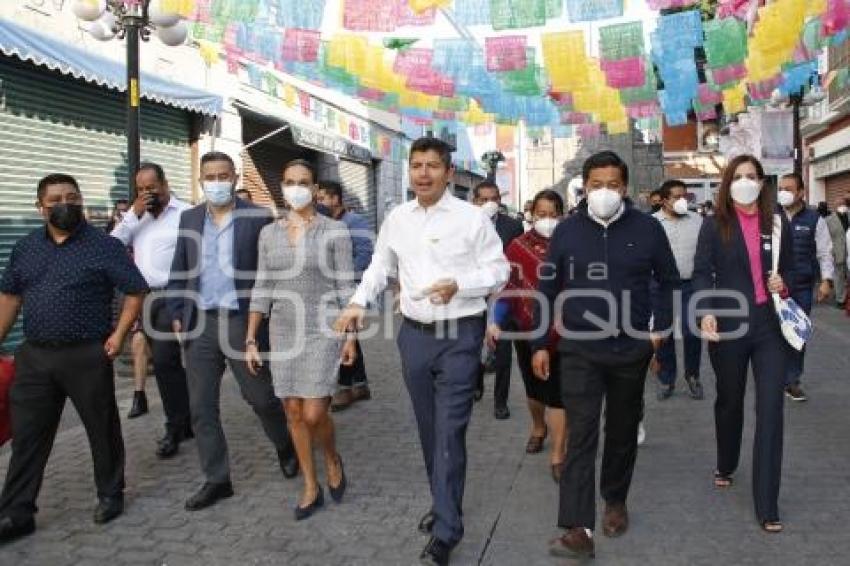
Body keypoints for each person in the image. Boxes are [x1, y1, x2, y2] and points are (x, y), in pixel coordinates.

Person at [334, 137, 509, 566]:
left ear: (449, 173)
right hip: (412, 335)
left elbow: (499, 269)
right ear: (409, 170)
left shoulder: (471, 219)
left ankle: (447, 531)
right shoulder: (397, 218)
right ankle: (444, 503)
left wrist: (460, 285)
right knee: (429, 430)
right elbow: (380, 267)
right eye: (417, 165)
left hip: (459, 335)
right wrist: (359, 301)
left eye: (433, 165)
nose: (424, 173)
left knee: (449, 431)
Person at [533, 151, 679, 560]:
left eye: (612, 184)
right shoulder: (567, 232)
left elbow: (669, 282)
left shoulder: (647, 229)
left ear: (625, 187)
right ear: (584, 187)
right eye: (596, 184)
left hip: (631, 348)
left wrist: (657, 332)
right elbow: (547, 289)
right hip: (579, 347)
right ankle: (578, 528)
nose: (604, 192)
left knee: (621, 431)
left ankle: (615, 500)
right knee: (581, 434)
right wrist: (542, 343)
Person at [0, 174, 148, 543]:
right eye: (55, 199)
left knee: (102, 428)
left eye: (71, 196)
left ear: (80, 201)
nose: (64, 203)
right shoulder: (25, 248)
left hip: (87, 354)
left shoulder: (104, 246)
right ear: (41, 207)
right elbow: (10, 299)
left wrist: (117, 336)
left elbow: (135, 290)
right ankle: (17, 513)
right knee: (28, 436)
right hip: (35, 356)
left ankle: (111, 493)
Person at [166, 151, 297, 511]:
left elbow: (271, 271)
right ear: (201, 180)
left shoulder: (256, 217)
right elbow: (179, 268)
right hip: (201, 323)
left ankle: (285, 444)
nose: (217, 182)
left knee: (261, 397)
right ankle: (217, 479)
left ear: (235, 177)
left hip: (241, 322)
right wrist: (177, 311)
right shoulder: (189, 219)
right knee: (201, 406)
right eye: (210, 176)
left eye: (224, 175)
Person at [247, 160, 357, 521]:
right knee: (292, 411)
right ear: (282, 186)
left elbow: (345, 287)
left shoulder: (335, 230)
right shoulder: (269, 233)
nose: (297, 188)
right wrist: (250, 337)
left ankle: (331, 457)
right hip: (282, 330)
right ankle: (311, 485)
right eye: (290, 182)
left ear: (314, 188)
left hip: (324, 328)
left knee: (314, 412)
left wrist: (350, 338)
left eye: (304, 182)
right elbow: (262, 286)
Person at [693, 154, 793, 533]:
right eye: (739, 176)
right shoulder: (715, 224)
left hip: (770, 327)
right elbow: (702, 272)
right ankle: (726, 460)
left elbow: (798, 270)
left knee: (771, 410)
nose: (746, 181)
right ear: (728, 182)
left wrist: (782, 282)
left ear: (763, 182)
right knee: (730, 399)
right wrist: (705, 310)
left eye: (752, 176)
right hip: (729, 326)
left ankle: (767, 503)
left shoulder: (777, 222)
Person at [111, 162, 194, 456]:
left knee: (165, 361)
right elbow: (111, 245)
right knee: (166, 363)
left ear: (165, 184)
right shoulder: (136, 218)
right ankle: (184, 420)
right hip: (147, 299)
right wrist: (134, 214)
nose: (147, 194)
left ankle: (176, 425)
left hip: (176, 296)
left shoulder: (185, 213)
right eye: (141, 189)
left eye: (152, 188)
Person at [488, 190, 568, 481]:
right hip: (526, 330)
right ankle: (538, 427)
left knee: (559, 394)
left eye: (553, 214)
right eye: (541, 214)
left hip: (565, 331)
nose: (547, 220)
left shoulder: (571, 244)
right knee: (535, 389)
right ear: (532, 214)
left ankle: (558, 453)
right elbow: (508, 290)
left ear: (562, 214)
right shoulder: (517, 248)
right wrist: (496, 321)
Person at [316, 179, 374, 411]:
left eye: (322, 198)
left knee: (341, 333)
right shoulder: (324, 223)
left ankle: (345, 387)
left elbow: (364, 253)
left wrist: (344, 277)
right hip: (329, 288)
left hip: (349, 286)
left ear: (335, 199)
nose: (318, 203)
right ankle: (359, 385)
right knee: (347, 334)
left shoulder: (354, 221)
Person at [777, 173, 834, 402]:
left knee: (796, 335)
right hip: (771, 287)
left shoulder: (814, 219)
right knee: (771, 335)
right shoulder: (768, 216)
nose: (784, 192)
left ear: (801, 192)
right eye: (781, 188)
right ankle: (772, 376)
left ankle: (791, 381)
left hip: (801, 287)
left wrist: (827, 280)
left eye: (789, 188)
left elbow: (824, 252)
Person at [472, 180, 524, 419]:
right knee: (474, 346)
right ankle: (477, 383)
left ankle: (500, 401)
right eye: (483, 199)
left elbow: (518, 262)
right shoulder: (465, 225)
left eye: (493, 199)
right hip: (473, 296)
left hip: (503, 296)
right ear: (475, 201)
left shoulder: (513, 226)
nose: (489, 204)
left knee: (502, 350)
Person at [652, 179, 705, 400]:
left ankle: (692, 376)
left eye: (685, 196)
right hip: (661, 287)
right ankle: (666, 379)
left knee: (692, 331)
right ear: (664, 201)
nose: (682, 200)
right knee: (663, 334)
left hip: (690, 285)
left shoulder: (698, 221)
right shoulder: (652, 223)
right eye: (676, 196)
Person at [825, 197, 849, 308]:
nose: (841, 205)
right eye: (839, 204)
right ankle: (841, 300)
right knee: (839, 277)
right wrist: (830, 253)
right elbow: (826, 239)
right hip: (837, 252)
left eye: (843, 203)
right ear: (835, 206)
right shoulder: (828, 220)